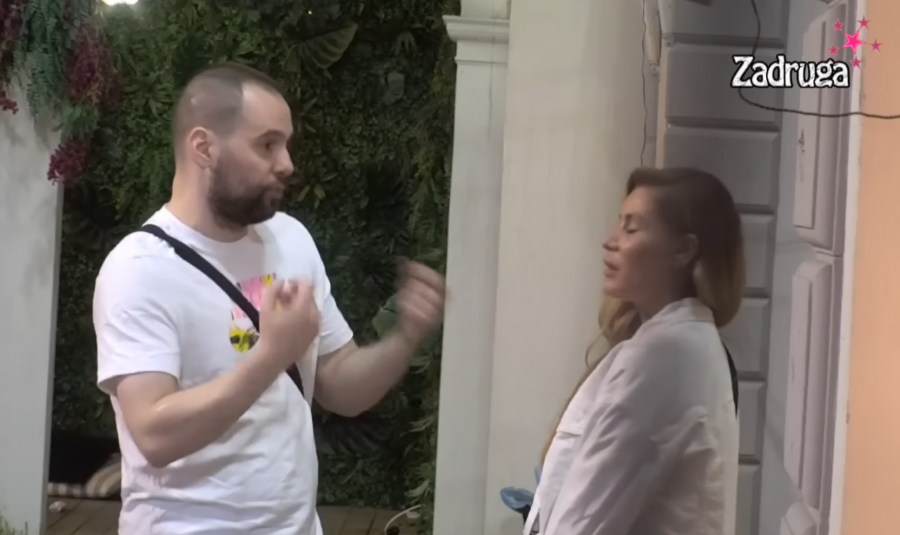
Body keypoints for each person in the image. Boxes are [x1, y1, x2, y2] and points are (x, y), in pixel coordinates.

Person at [92, 63, 446, 535]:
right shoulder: (138, 269)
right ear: (204, 148)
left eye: (286, 144)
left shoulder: (290, 240)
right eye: (267, 144)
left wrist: (404, 338)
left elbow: (342, 387)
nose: (287, 163)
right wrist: (272, 355)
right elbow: (154, 435)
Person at [523, 167, 744, 535]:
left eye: (631, 228)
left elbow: (583, 521)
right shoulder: (691, 343)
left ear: (683, 250)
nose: (610, 241)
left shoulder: (662, 358)